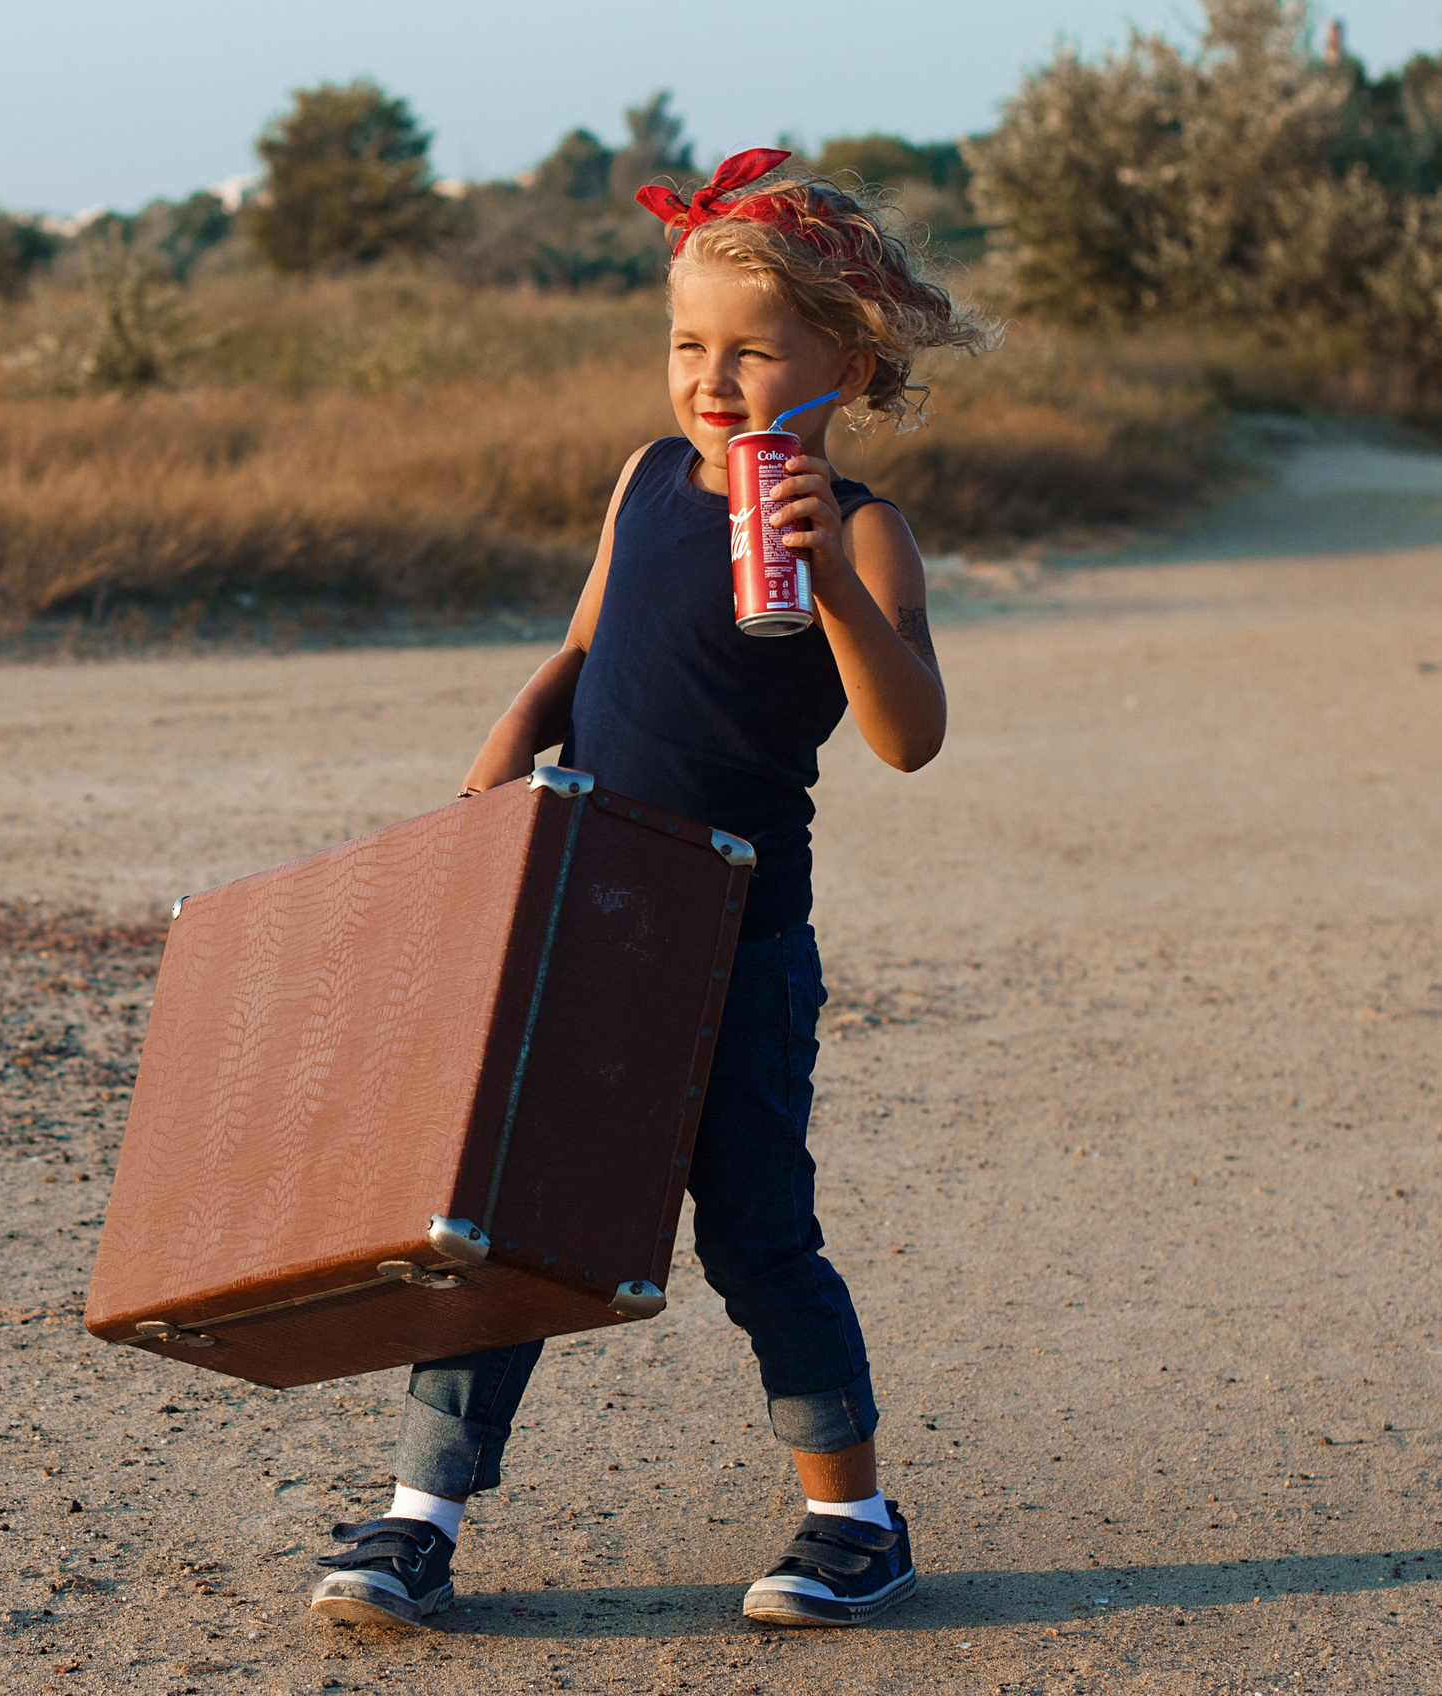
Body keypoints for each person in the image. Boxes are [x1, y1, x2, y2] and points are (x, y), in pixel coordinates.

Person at [307, 149, 999, 1631]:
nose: (713, 379)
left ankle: (854, 1523)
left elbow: (911, 736)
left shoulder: (864, 530)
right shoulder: (643, 484)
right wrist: (514, 727)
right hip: (587, 923)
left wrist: (837, 590)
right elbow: (584, 637)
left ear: (848, 363)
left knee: (757, 1233)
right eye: (690, 346)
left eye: (755, 352)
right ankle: (418, 1519)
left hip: (738, 941)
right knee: (507, 1220)